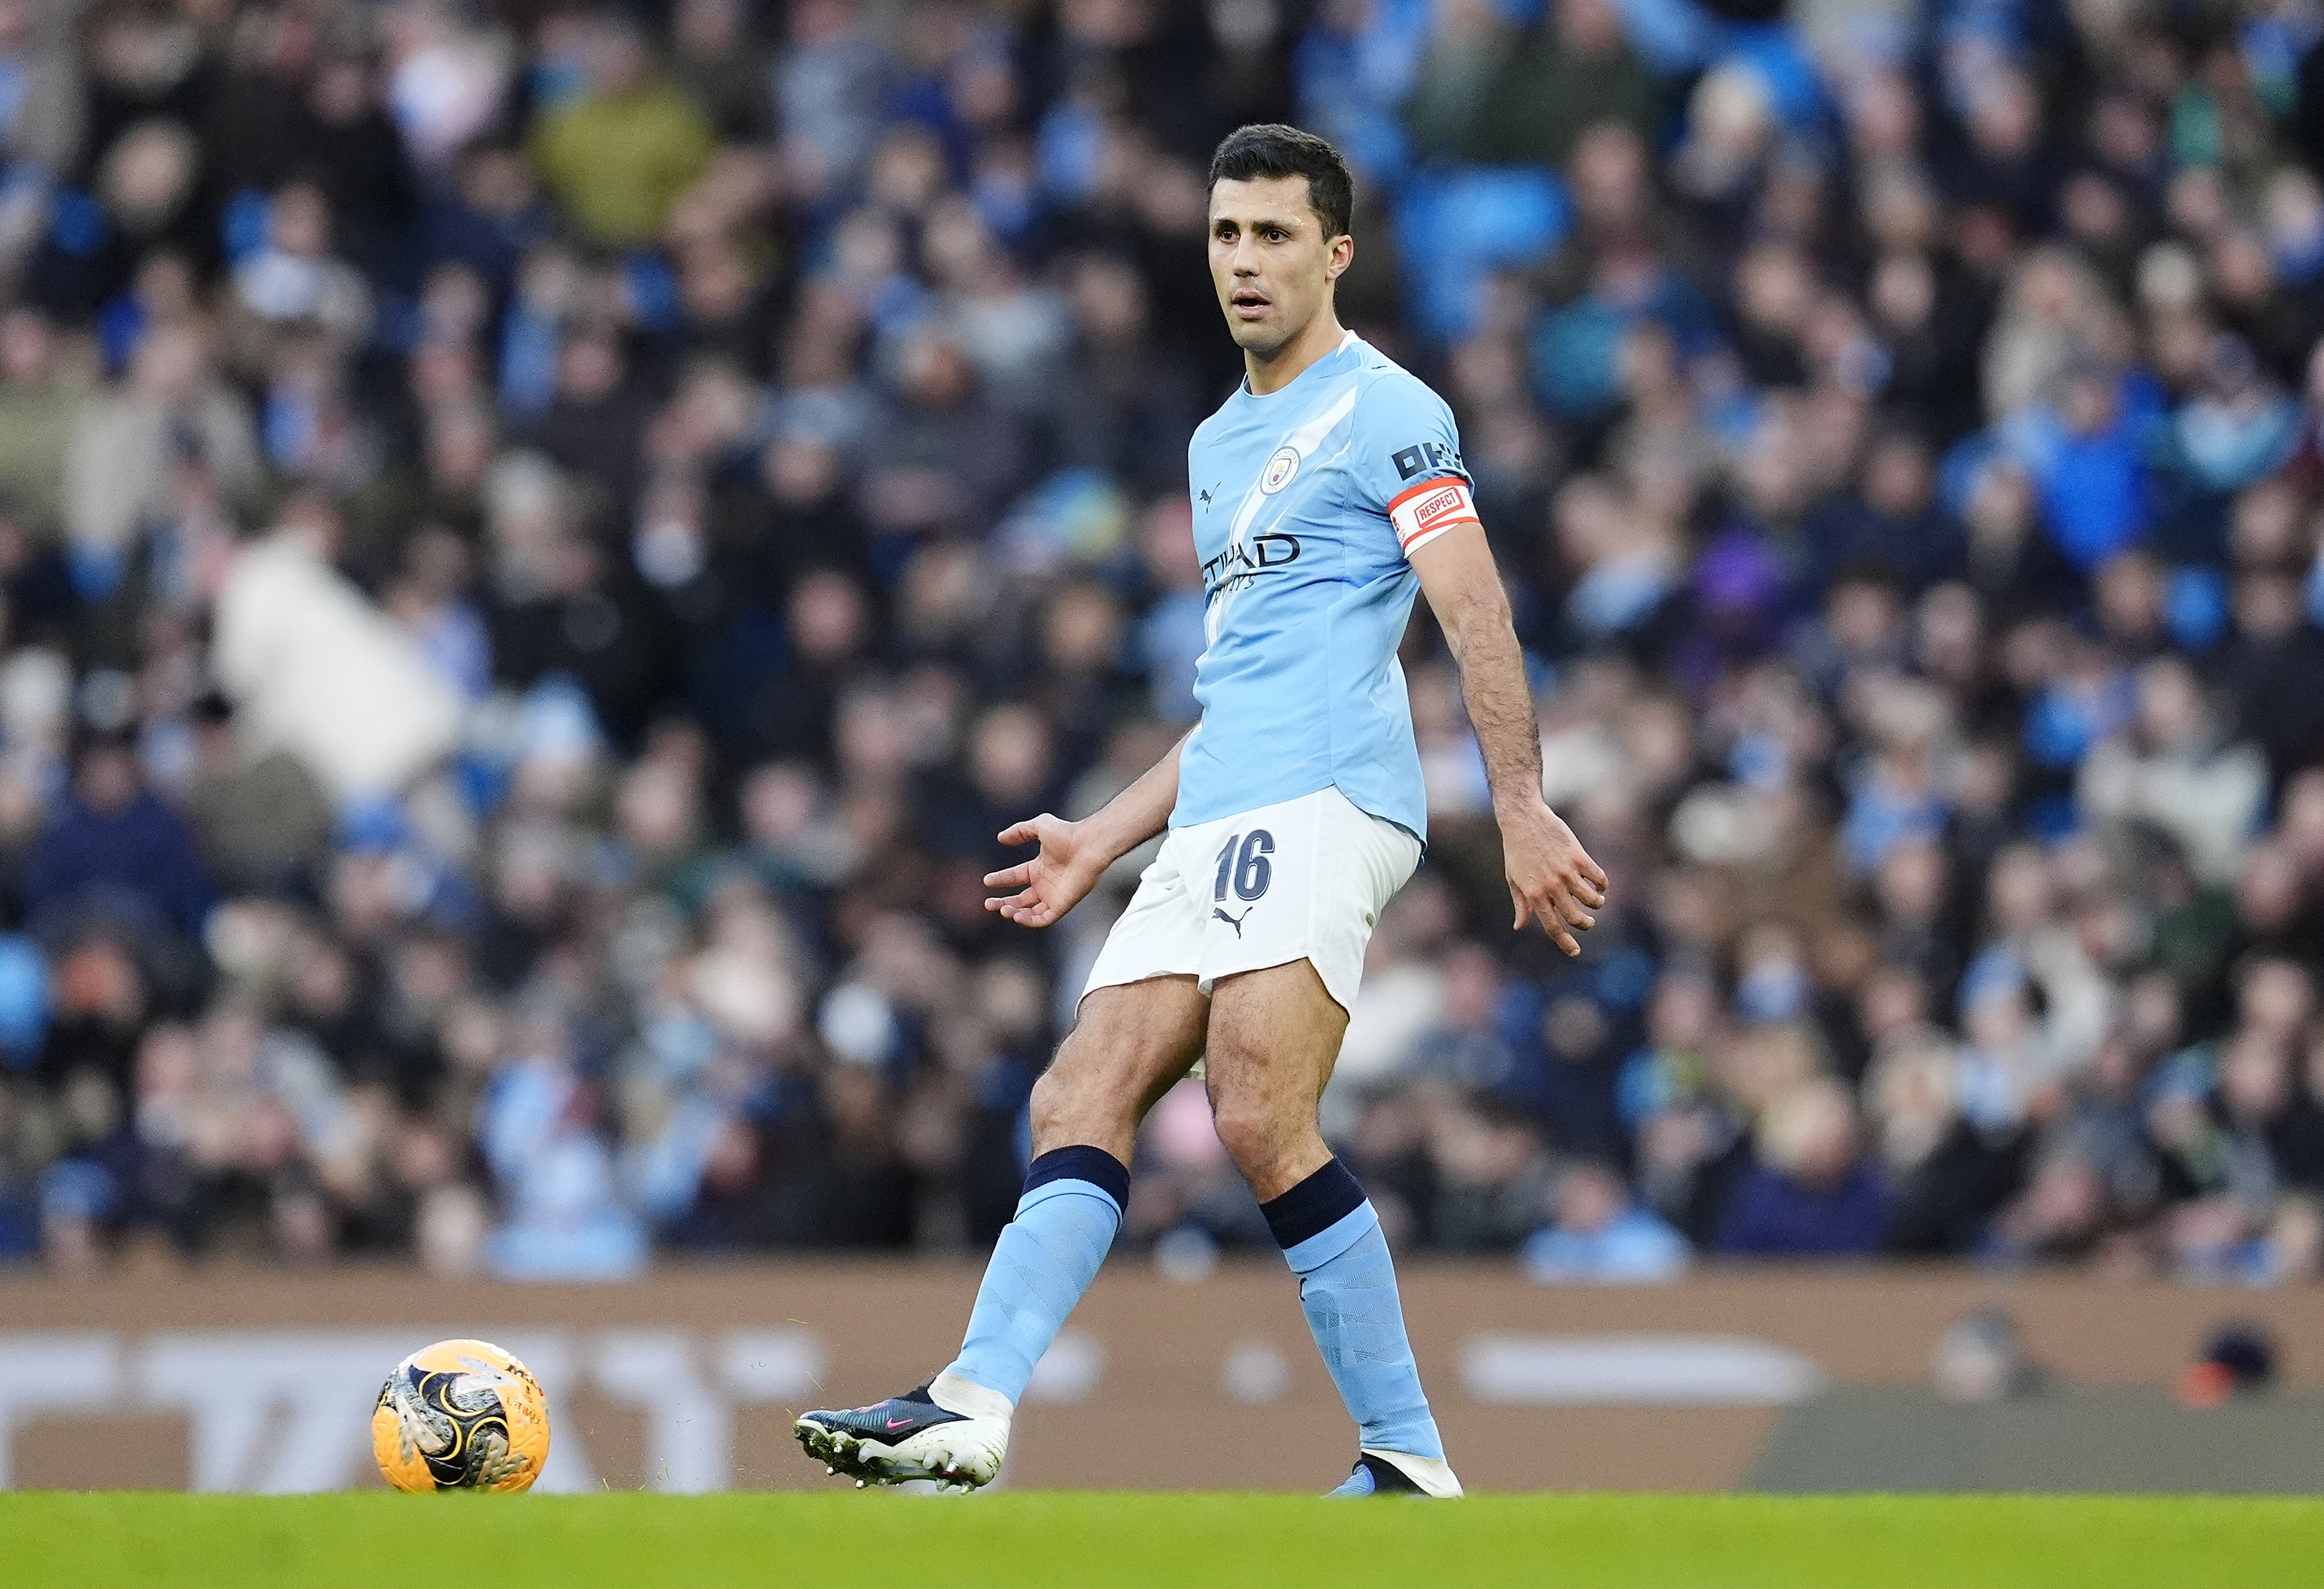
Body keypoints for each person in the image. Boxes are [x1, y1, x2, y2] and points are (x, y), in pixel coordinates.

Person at [792, 125, 1607, 1499]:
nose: (1244, 260)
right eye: (1226, 233)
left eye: (1274, 234)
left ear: (1333, 255)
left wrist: (1517, 802)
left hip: (1331, 795)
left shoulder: (1389, 409)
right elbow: (1237, 694)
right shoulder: (1217, 443)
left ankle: (1406, 1453)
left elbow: (1476, 612)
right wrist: (1101, 836)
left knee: (1254, 1106)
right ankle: (969, 1404)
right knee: (1080, 1088)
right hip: (1220, 808)